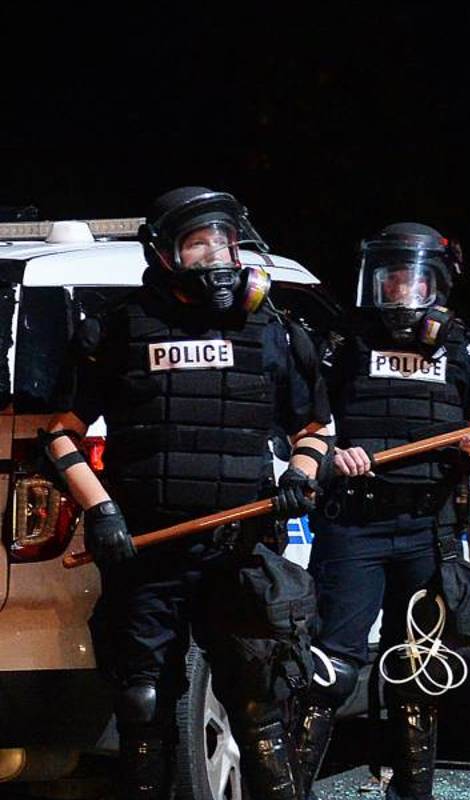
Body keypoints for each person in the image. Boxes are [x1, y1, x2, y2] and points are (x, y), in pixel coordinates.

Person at [44, 186, 333, 800]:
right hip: (147, 550)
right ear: (167, 255)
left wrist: (301, 478)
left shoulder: (271, 331)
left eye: (223, 242)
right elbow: (60, 434)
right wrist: (99, 511)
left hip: (239, 548)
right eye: (199, 244)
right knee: (144, 700)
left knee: (257, 699)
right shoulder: (119, 331)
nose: (216, 257)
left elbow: (315, 429)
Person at [291, 222, 470, 800]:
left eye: (412, 282)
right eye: (390, 282)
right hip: (352, 525)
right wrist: (333, 455)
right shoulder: (342, 345)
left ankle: (411, 793)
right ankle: (286, 790)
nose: (401, 295)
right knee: (328, 670)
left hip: (428, 529)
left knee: (417, 667)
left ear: (435, 284)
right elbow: (301, 423)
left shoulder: (466, 350)